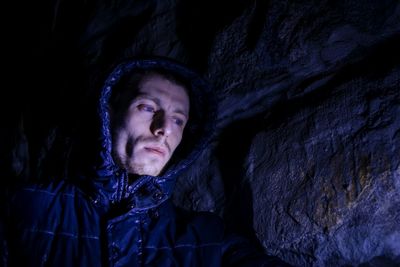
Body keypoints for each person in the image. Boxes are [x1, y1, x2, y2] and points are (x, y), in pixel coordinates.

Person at [1, 57, 291, 266]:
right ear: (109, 113)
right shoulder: (27, 208)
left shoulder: (207, 238)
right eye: (147, 107)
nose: (164, 127)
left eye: (179, 119)